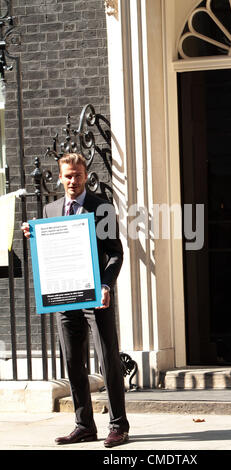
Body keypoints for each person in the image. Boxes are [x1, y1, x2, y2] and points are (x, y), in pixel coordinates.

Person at [21, 153, 129, 447]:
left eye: (77, 175)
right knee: (73, 361)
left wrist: (106, 285)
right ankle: (84, 426)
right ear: (60, 176)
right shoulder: (50, 209)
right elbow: (51, 250)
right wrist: (33, 234)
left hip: (96, 296)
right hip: (63, 295)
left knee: (108, 359)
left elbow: (117, 253)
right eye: (67, 175)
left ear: (85, 175)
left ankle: (118, 426)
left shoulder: (101, 207)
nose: (72, 180)